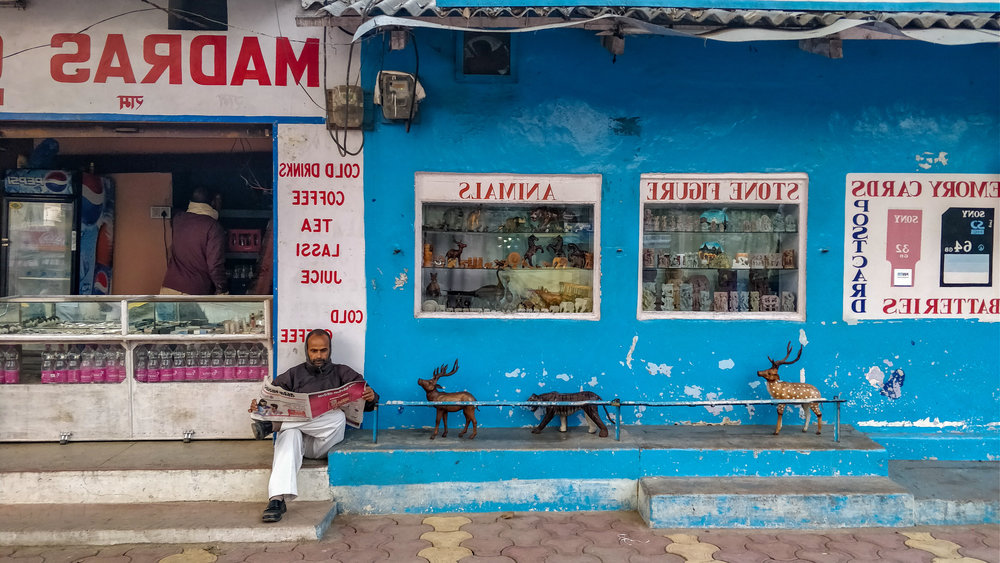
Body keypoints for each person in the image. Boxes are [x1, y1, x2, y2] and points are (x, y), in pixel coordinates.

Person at [251, 329, 377, 523]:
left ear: (330, 350)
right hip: (298, 444)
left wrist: (371, 396)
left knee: (336, 417)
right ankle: (276, 499)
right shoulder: (293, 375)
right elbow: (271, 399)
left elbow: (366, 398)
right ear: (307, 351)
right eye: (314, 351)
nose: (319, 356)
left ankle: (274, 426)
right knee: (290, 433)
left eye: (323, 351)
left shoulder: (343, 372)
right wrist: (260, 408)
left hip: (324, 442)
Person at [160, 187, 228, 295]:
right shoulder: (213, 227)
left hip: (168, 288)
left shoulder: (178, 219)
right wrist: (222, 289)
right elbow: (215, 265)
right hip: (193, 292)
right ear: (213, 202)